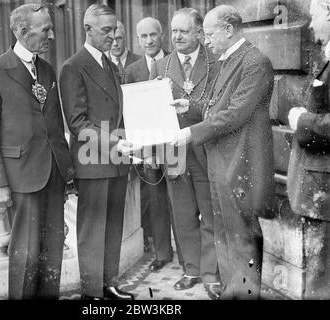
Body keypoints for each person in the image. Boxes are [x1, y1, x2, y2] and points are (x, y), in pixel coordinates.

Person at [171, 5, 276, 299]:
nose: (206, 41)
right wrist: (190, 109)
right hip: (221, 163)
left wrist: (190, 132)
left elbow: (234, 114)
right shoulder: (228, 60)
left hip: (241, 167)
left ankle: (244, 295)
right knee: (225, 236)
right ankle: (234, 292)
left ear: (229, 30)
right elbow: (217, 107)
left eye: (209, 34)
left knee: (241, 238)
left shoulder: (255, 62)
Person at [0, 4, 75, 299]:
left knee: (53, 252)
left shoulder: (46, 69)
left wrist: (67, 172)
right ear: (22, 32)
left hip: (53, 176)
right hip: (21, 178)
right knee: (25, 255)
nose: (52, 35)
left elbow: (55, 125)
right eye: (45, 29)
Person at [59, 4, 134, 300]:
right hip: (93, 163)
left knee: (113, 225)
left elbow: (121, 111)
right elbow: (78, 124)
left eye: (114, 29)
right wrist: (117, 143)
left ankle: (109, 284)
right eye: (106, 30)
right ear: (87, 30)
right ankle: (92, 294)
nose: (113, 36)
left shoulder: (111, 64)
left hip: (117, 160)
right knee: (92, 232)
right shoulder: (73, 67)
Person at [149, 8, 219, 295]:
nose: (176, 36)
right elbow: (151, 113)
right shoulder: (161, 66)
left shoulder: (215, 62)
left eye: (184, 31)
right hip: (174, 152)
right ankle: (191, 269)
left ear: (199, 33)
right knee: (183, 212)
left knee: (210, 212)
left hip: (206, 148)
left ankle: (211, 273)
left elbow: (220, 108)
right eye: (174, 30)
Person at [287, 0, 330, 299]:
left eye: (315, 17)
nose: (311, 25)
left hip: (324, 190)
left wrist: (300, 119)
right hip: (319, 187)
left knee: (320, 276)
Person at [124, 17, 174, 272]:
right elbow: (130, 111)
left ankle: (189, 255)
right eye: (143, 36)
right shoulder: (132, 71)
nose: (149, 41)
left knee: (182, 199)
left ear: (162, 35)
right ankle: (163, 253)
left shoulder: (175, 62)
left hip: (177, 144)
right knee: (155, 199)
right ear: (138, 38)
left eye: (153, 35)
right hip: (149, 146)